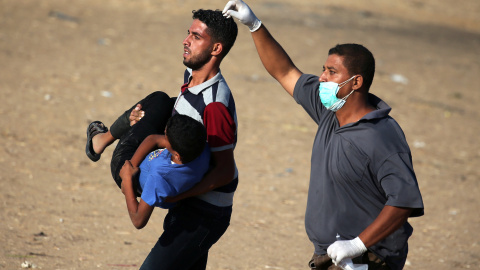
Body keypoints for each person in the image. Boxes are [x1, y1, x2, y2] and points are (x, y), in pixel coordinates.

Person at [223, 1, 424, 269]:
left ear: (356, 82)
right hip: (330, 257)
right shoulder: (330, 111)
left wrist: (358, 244)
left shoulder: (381, 136)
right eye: (323, 69)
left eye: (332, 72)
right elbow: (284, 71)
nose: (322, 78)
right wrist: (254, 25)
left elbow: (403, 202)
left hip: (370, 260)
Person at [85, 9, 239, 270]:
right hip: (187, 203)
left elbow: (224, 172)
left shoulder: (214, 105)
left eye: (195, 36)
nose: (185, 40)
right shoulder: (192, 80)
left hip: (204, 213)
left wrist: (177, 197)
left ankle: (103, 140)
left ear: (216, 48)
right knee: (159, 101)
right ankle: (104, 138)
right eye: (188, 33)